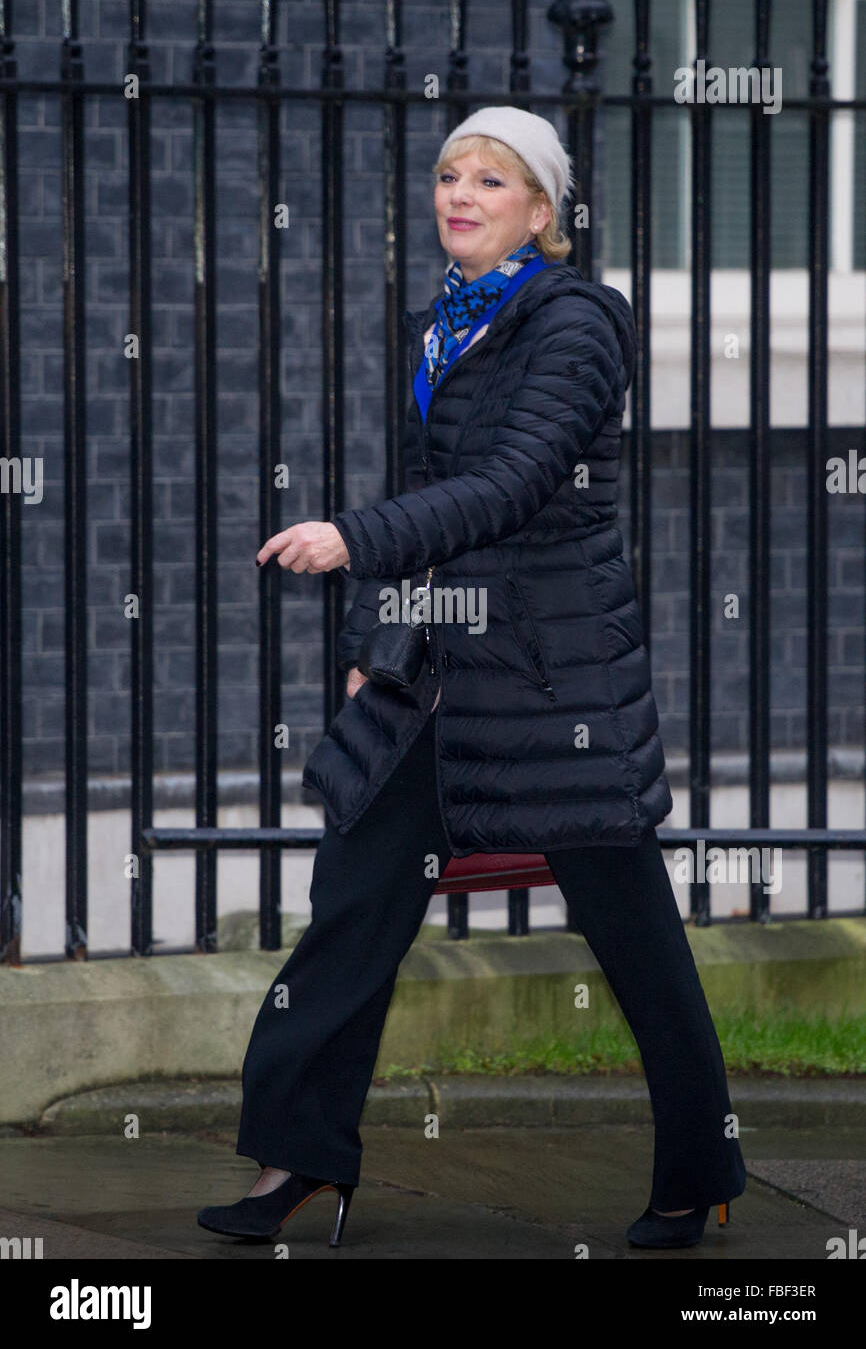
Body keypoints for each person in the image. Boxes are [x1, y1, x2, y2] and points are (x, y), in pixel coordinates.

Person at [197, 106, 747, 1253]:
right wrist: (370, 644)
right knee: (349, 907)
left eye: (488, 181)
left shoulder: (577, 326)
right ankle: (298, 1158)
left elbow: (506, 485)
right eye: (447, 175)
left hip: (554, 690)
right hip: (434, 681)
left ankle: (701, 1169)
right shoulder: (438, 329)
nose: (458, 194)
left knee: (633, 935)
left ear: (540, 213)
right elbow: (427, 492)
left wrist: (351, 537)